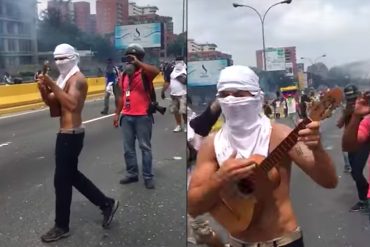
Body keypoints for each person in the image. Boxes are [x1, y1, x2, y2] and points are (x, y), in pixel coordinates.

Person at [188, 65, 338, 247]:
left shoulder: (280, 136)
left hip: (283, 240)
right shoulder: (212, 144)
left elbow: (329, 182)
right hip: (238, 241)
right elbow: (194, 206)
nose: (230, 99)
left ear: (256, 97)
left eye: (238, 94)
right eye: (224, 94)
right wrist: (220, 178)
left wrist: (317, 148)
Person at [37, 44, 119, 243]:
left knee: (62, 181)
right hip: (65, 133)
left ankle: (61, 226)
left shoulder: (78, 79)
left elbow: (72, 105)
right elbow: (54, 106)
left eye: (63, 58)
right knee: (70, 176)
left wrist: (50, 82)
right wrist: (43, 88)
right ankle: (106, 203)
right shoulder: (63, 79)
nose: (59, 62)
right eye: (56, 59)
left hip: (71, 135)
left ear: (73, 58)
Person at [114, 43, 160, 189]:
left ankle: (148, 176)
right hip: (126, 117)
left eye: (133, 58)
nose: (130, 61)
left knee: (145, 147)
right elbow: (121, 96)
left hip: (143, 117)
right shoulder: (123, 76)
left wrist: (138, 63)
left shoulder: (145, 73)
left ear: (140, 58)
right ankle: (132, 173)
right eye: (128, 58)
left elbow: (156, 71)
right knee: (128, 148)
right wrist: (117, 113)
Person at [342, 90, 370, 215]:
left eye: (354, 98)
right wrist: (354, 114)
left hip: (362, 143)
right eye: (349, 99)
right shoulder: (355, 111)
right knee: (355, 172)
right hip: (356, 141)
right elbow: (340, 125)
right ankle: (364, 198)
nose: (352, 101)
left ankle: (364, 199)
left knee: (357, 172)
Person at [161, 57, 187, 132]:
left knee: (184, 111)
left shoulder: (186, 68)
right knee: (176, 111)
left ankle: (186, 125)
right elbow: (167, 81)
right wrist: (163, 91)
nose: (178, 63)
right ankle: (178, 125)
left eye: (180, 61)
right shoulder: (171, 69)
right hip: (173, 94)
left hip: (183, 93)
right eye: (177, 61)